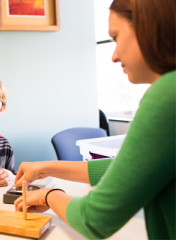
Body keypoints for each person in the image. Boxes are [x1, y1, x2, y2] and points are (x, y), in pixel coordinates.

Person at [14, 0, 175, 239]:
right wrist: (46, 168)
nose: (113, 55)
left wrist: (49, 195)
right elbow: (125, 170)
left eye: (116, 37)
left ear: (146, 27)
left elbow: (94, 219)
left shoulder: (166, 95)